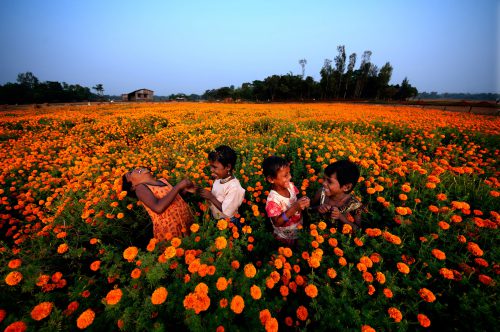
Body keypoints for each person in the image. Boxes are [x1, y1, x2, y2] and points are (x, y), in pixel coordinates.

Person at [121, 167, 195, 241]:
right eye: (130, 173)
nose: (135, 169)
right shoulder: (140, 188)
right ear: (133, 187)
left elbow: (172, 198)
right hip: (170, 229)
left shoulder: (163, 181)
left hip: (186, 221)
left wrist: (184, 191)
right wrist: (178, 187)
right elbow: (158, 208)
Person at [262, 156, 310, 246]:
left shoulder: (291, 187)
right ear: (271, 179)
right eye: (285, 175)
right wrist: (293, 209)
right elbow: (277, 222)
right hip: (285, 236)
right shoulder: (273, 201)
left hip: (298, 228)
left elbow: (297, 199)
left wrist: (304, 201)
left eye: (289, 173)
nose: (290, 177)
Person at [312, 159, 365, 231]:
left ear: (346, 187)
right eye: (324, 179)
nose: (324, 183)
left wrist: (341, 217)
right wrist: (318, 208)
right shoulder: (321, 193)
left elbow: (358, 230)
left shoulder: (355, 206)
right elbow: (309, 209)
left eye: (329, 181)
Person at [200, 145, 245, 228]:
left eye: (214, 167)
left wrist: (210, 197)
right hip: (217, 218)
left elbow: (227, 211)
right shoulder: (219, 179)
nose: (211, 170)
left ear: (228, 167)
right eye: (211, 166)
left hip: (229, 223)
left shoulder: (234, 188)